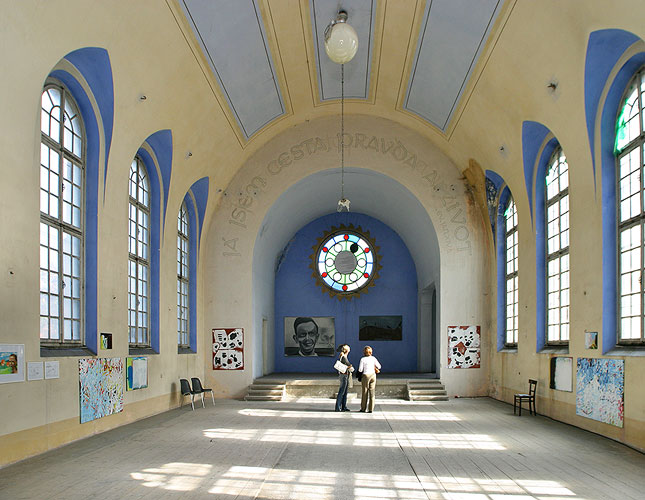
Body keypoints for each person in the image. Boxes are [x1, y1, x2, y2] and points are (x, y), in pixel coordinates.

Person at [358, 345, 381, 413]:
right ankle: (371, 409)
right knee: (372, 392)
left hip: (366, 375)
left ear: (364, 352)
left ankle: (363, 408)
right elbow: (379, 366)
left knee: (365, 392)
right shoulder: (373, 358)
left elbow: (360, 369)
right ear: (371, 352)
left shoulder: (363, 359)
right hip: (373, 375)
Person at [335, 344, 353, 412]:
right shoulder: (344, 357)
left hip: (345, 375)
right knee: (342, 392)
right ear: (347, 350)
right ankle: (338, 407)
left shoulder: (343, 357)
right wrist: (350, 367)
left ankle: (343, 406)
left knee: (345, 392)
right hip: (344, 376)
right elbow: (349, 366)